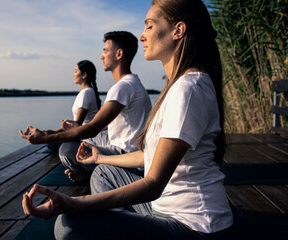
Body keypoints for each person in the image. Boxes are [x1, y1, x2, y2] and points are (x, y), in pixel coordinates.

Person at [22, 0, 234, 239]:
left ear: (178, 31)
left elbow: (153, 182)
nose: (142, 36)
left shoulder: (188, 88)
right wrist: (99, 157)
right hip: (163, 208)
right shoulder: (178, 86)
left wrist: (74, 203)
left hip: (194, 226)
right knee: (103, 172)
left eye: (149, 26)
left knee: (68, 224)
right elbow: (150, 155)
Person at [20, 31, 152, 182]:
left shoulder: (123, 87)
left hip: (128, 159)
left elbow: (92, 128)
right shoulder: (132, 83)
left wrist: (45, 139)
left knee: (67, 149)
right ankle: (91, 174)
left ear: (119, 54)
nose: (101, 56)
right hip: (124, 149)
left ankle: (106, 175)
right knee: (76, 141)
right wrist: (75, 127)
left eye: (105, 51)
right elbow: (108, 125)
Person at [46, 60, 101, 151]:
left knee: (51, 143)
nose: (73, 74)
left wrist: (53, 133)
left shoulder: (86, 93)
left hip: (85, 138)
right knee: (51, 141)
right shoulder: (87, 92)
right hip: (84, 135)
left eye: (75, 71)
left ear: (84, 75)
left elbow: (77, 124)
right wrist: (53, 132)